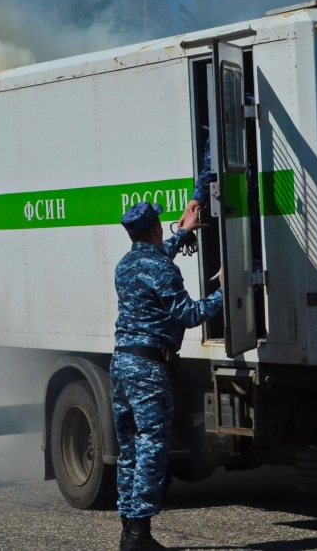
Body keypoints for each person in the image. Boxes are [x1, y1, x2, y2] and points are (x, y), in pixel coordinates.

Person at [112, 202, 223, 550]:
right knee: (151, 447)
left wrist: (185, 233)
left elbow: (156, 262)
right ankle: (139, 536)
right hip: (148, 368)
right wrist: (226, 290)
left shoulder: (125, 264)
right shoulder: (159, 267)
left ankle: (129, 529)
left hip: (122, 365)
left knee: (130, 448)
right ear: (156, 229)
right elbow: (189, 314)